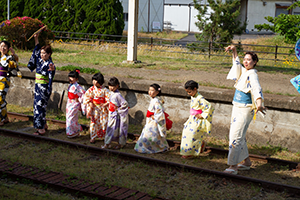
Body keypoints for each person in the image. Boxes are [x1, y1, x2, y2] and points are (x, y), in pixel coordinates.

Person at [224, 45, 266, 175]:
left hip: (245, 109)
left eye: (249, 60)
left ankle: (233, 166)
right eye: (245, 59)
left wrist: (259, 103)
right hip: (237, 107)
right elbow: (236, 64)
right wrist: (234, 51)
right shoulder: (245, 71)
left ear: (255, 62)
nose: (246, 62)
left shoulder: (252, 75)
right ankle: (246, 162)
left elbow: (256, 88)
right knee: (239, 135)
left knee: (235, 136)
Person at [27, 33, 55, 135]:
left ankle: (40, 129)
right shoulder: (40, 60)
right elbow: (37, 49)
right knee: (40, 107)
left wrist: (52, 70)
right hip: (38, 87)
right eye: (42, 53)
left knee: (39, 107)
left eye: (45, 53)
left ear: (49, 55)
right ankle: (44, 125)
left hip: (44, 88)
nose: (42, 55)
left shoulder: (49, 64)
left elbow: (52, 73)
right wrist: (36, 38)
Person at [180, 80, 214, 159]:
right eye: (187, 92)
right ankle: (198, 145)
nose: (189, 94)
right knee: (186, 132)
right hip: (192, 118)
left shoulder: (200, 98)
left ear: (195, 89)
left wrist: (202, 115)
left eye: (190, 92)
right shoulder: (194, 96)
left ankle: (190, 152)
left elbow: (209, 107)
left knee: (192, 135)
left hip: (197, 119)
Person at [134, 83, 169, 154]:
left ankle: (150, 148)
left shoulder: (156, 101)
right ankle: (160, 147)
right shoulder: (155, 99)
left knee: (149, 135)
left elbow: (159, 113)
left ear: (157, 92)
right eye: (149, 90)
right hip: (151, 120)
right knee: (154, 135)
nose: (150, 92)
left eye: (152, 90)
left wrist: (154, 116)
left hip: (153, 121)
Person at [101, 77, 129, 149]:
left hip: (115, 115)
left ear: (117, 86)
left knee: (113, 129)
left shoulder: (118, 95)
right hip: (112, 114)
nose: (111, 88)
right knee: (112, 129)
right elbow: (112, 102)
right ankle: (110, 143)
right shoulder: (112, 93)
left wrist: (118, 109)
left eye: (113, 86)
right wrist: (107, 104)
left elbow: (125, 104)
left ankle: (109, 144)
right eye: (110, 86)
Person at [83, 73, 109, 144]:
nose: (94, 82)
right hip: (94, 108)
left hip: (102, 109)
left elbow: (109, 99)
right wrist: (90, 102)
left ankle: (103, 135)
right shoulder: (91, 89)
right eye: (93, 80)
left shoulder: (105, 90)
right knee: (93, 123)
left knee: (103, 122)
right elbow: (86, 97)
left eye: (96, 81)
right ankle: (93, 137)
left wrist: (106, 104)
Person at [0, 40, 22, 126]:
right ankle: (5, 118)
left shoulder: (9, 57)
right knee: (1, 100)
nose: (2, 48)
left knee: (0, 98)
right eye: (1, 46)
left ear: (8, 48)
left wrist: (14, 55)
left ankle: (1, 119)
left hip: (4, 80)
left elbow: (15, 63)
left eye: (5, 46)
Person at [66, 69, 86, 138]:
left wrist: (79, 99)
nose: (70, 79)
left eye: (72, 77)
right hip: (69, 103)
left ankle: (71, 132)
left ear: (76, 79)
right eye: (69, 77)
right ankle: (76, 129)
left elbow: (84, 93)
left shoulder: (77, 86)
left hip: (74, 103)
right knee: (70, 117)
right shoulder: (71, 85)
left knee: (71, 117)